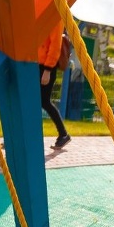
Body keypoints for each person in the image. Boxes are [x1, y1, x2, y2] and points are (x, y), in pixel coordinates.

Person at [38, 21, 71, 149]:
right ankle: (63, 134)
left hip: (45, 67)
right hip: (36, 64)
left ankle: (63, 134)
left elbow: (55, 45)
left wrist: (47, 70)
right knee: (40, 102)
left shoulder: (55, 18)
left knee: (44, 102)